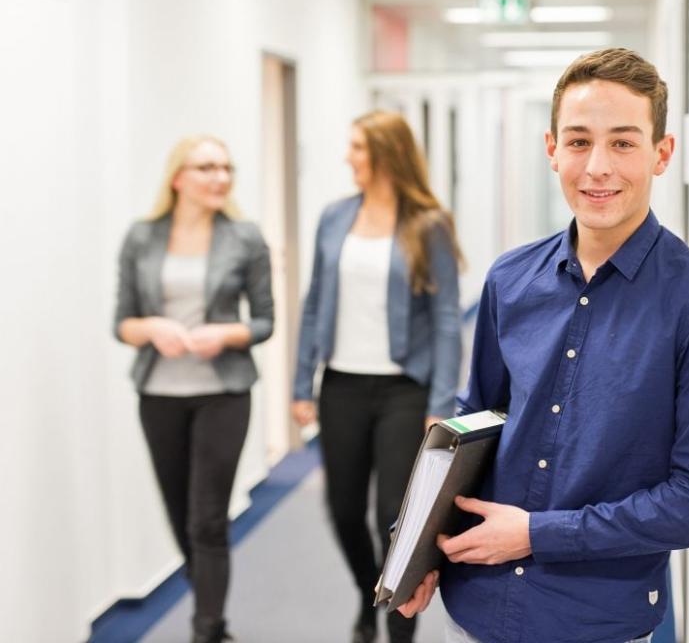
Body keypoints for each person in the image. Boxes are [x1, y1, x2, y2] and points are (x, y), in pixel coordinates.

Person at [397, 48, 689, 643]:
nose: (598, 167)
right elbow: (474, 426)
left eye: (624, 143)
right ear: (552, 149)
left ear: (662, 154)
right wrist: (421, 551)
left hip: (596, 619)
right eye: (579, 141)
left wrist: (537, 533)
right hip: (476, 603)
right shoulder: (509, 279)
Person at [291, 110, 463, 643]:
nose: (349, 158)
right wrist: (301, 384)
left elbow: (446, 319)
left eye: (358, 149)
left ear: (387, 154)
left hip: (402, 391)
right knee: (342, 510)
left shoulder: (427, 223)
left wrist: (440, 400)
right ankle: (371, 591)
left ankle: (397, 628)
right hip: (340, 383)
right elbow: (316, 301)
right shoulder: (334, 216)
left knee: (392, 515)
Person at [113, 135, 274, 643]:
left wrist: (223, 333)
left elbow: (264, 320)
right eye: (206, 167)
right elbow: (122, 322)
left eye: (226, 167)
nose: (219, 177)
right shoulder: (142, 237)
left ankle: (207, 628)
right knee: (180, 515)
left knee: (207, 518)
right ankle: (207, 595)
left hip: (223, 392)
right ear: (178, 177)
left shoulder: (245, 238)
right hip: (158, 394)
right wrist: (154, 329)